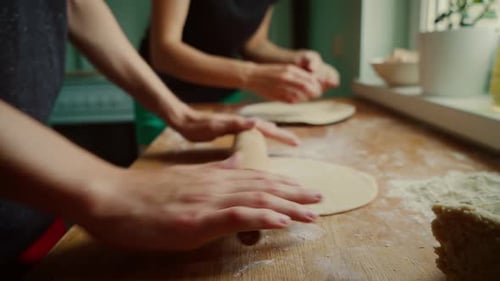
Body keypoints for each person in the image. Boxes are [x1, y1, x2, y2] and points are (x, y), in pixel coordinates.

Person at [0, 0, 322, 275]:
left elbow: (74, 3)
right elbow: (165, 48)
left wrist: (181, 114)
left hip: (34, 213)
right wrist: (110, 187)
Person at [135, 0, 341, 147]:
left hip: (223, 95)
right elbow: (164, 52)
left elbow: (254, 44)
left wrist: (295, 59)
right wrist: (252, 75)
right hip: (162, 95)